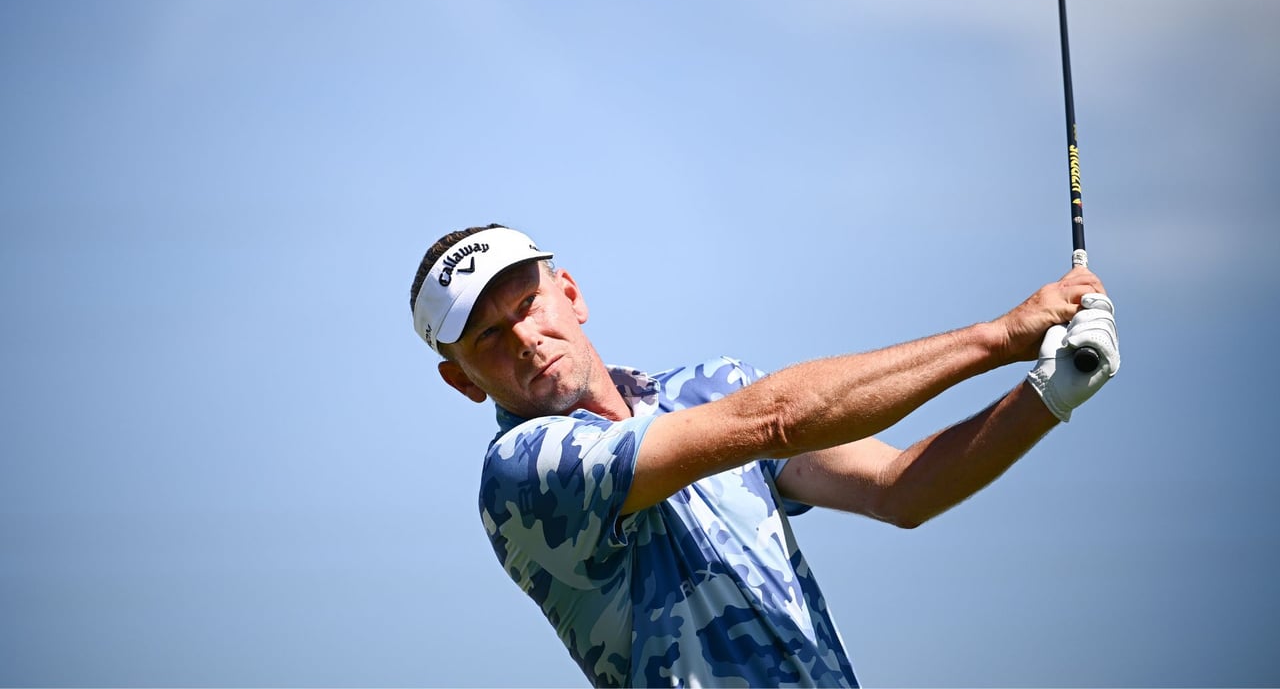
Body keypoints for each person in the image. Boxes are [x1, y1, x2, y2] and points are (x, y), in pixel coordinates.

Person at [409, 223, 1120, 688]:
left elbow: (899, 488)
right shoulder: (523, 473)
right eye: (487, 337)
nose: (524, 339)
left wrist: (1047, 394)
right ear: (460, 380)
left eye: (526, 304)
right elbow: (776, 420)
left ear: (570, 294)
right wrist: (1001, 337)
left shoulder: (706, 391)